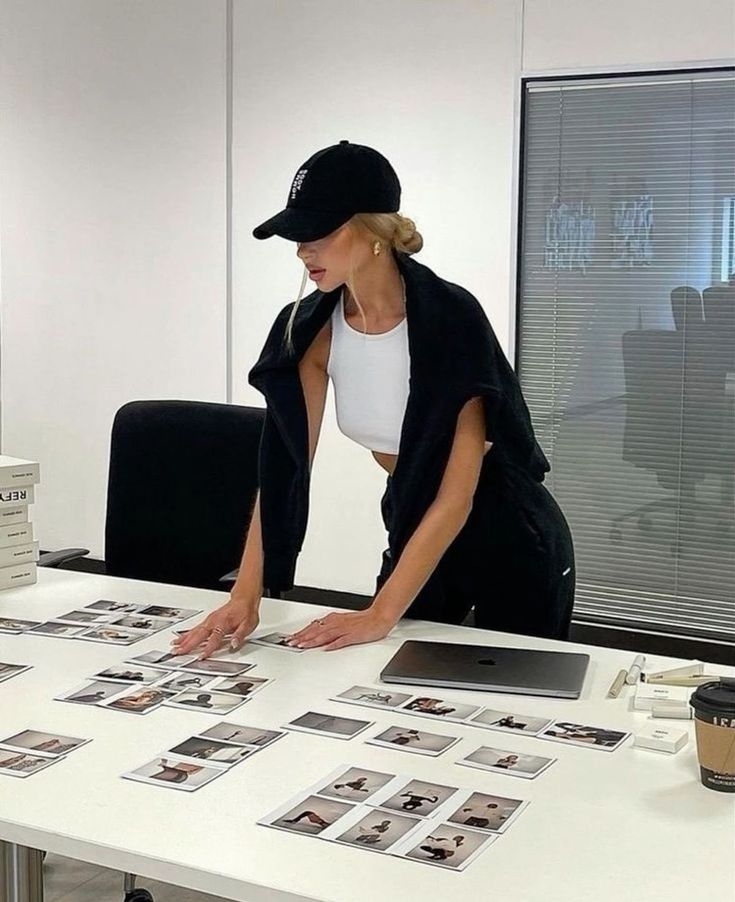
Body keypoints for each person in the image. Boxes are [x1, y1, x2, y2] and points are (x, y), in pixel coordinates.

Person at [172, 140, 575, 661]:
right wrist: (245, 596)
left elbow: (457, 497)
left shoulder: (449, 319)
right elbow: (282, 471)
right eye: (298, 236)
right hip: (411, 515)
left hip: (509, 528)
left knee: (516, 690)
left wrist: (380, 613)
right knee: (388, 673)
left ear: (374, 232)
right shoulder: (309, 331)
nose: (302, 251)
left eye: (319, 233)